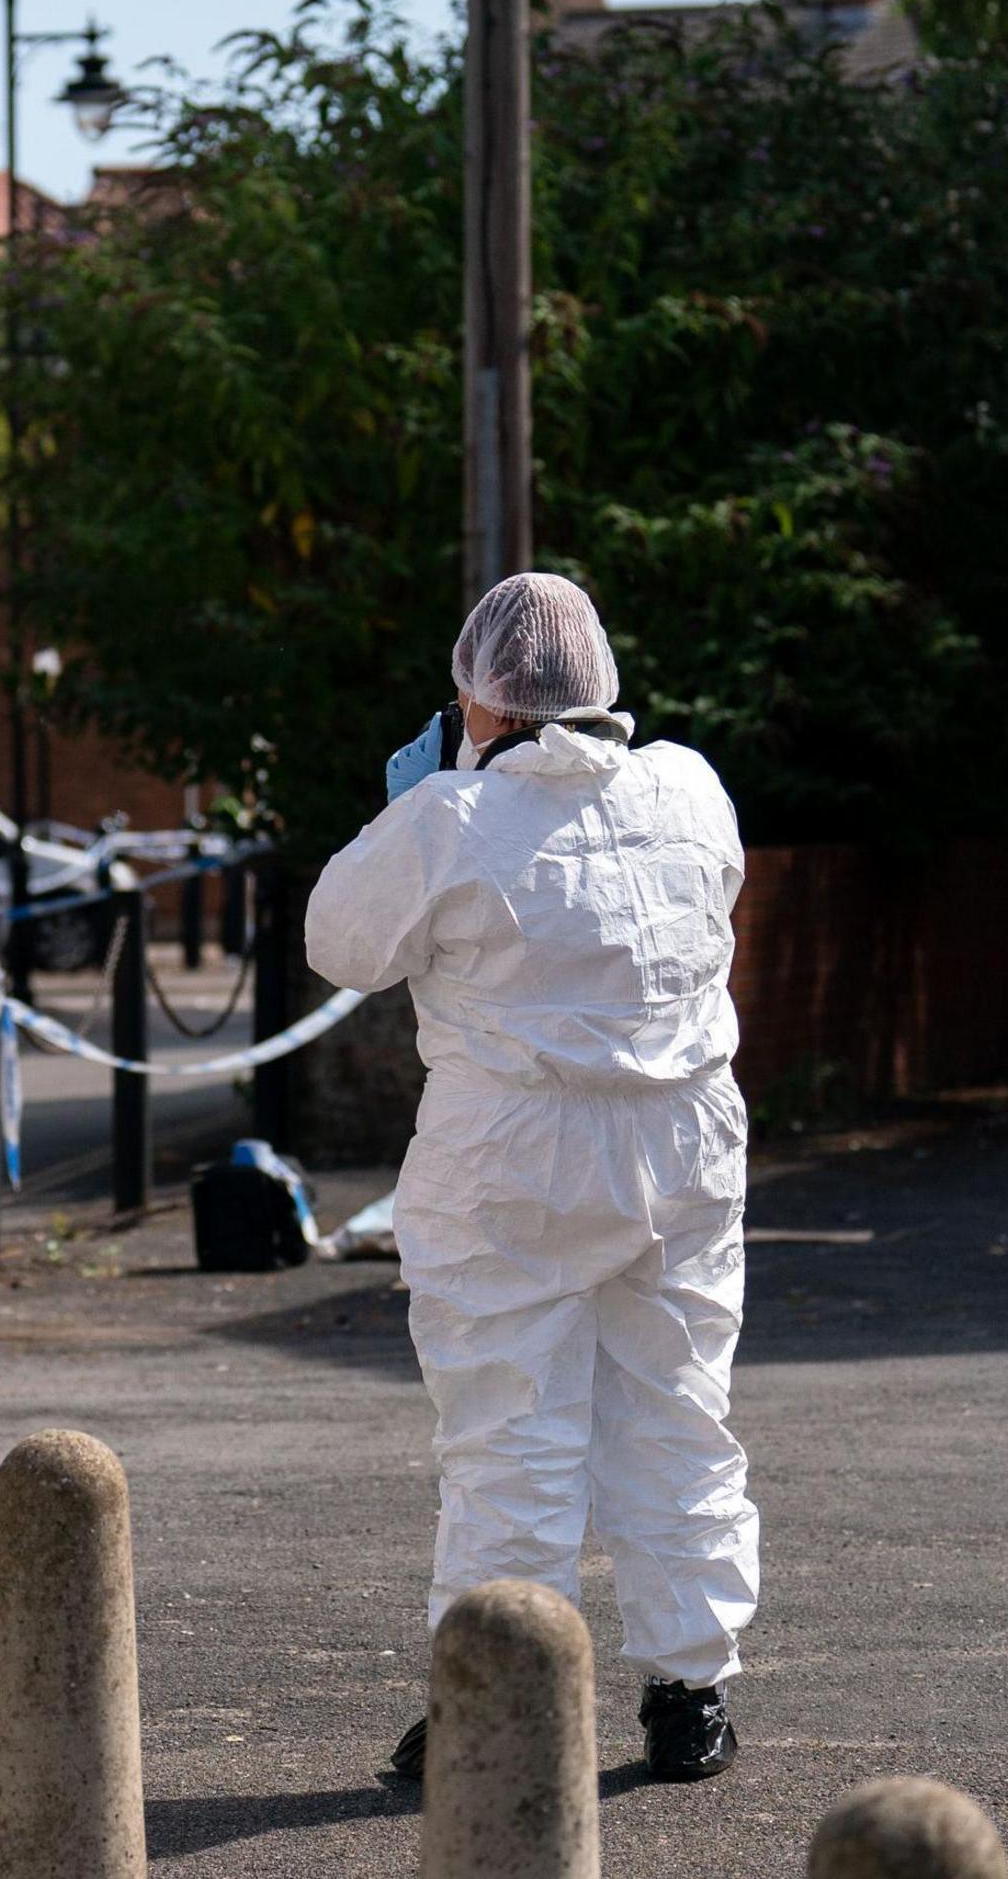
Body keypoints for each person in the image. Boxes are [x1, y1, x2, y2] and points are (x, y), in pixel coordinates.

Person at [305, 572, 755, 1786]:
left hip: (511, 1148)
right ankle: (689, 1694)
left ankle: (497, 1699)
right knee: (679, 1412)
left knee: (511, 1430)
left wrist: (417, 805)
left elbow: (340, 942)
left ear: (477, 699)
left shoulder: (448, 819)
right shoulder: (690, 788)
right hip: (683, 1141)